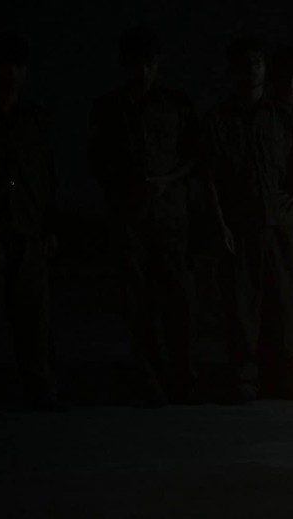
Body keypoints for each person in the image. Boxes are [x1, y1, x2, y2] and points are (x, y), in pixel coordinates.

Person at [90, 25, 198, 406]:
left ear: (158, 65)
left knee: (177, 298)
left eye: (150, 63)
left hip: (169, 218)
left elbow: (193, 156)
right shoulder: (110, 109)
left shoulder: (175, 105)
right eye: (138, 63)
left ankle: (182, 376)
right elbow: (98, 161)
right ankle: (149, 378)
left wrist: (166, 181)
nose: (145, 71)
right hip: (130, 218)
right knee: (137, 301)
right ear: (126, 66)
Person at [203, 37, 293, 403]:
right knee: (242, 306)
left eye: (259, 63)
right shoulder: (219, 119)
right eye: (246, 64)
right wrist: (220, 225)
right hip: (241, 223)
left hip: (281, 223)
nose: (253, 70)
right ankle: (244, 378)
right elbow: (210, 176)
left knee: (286, 302)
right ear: (234, 71)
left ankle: (287, 375)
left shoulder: (285, 116)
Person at [0, 33, 60, 410]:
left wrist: (49, 227)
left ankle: (39, 387)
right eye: (6, 65)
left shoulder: (34, 119)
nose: (13, 74)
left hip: (29, 230)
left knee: (34, 316)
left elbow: (47, 175)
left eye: (19, 66)